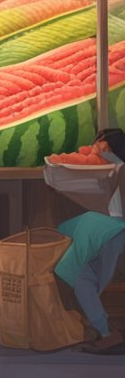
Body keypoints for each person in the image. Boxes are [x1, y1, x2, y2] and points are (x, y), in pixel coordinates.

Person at [55, 129, 125, 352]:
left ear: (104, 145)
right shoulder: (118, 167)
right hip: (110, 230)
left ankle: (105, 332)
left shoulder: (118, 167)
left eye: (95, 144)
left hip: (111, 230)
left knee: (82, 278)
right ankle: (102, 326)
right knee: (88, 277)